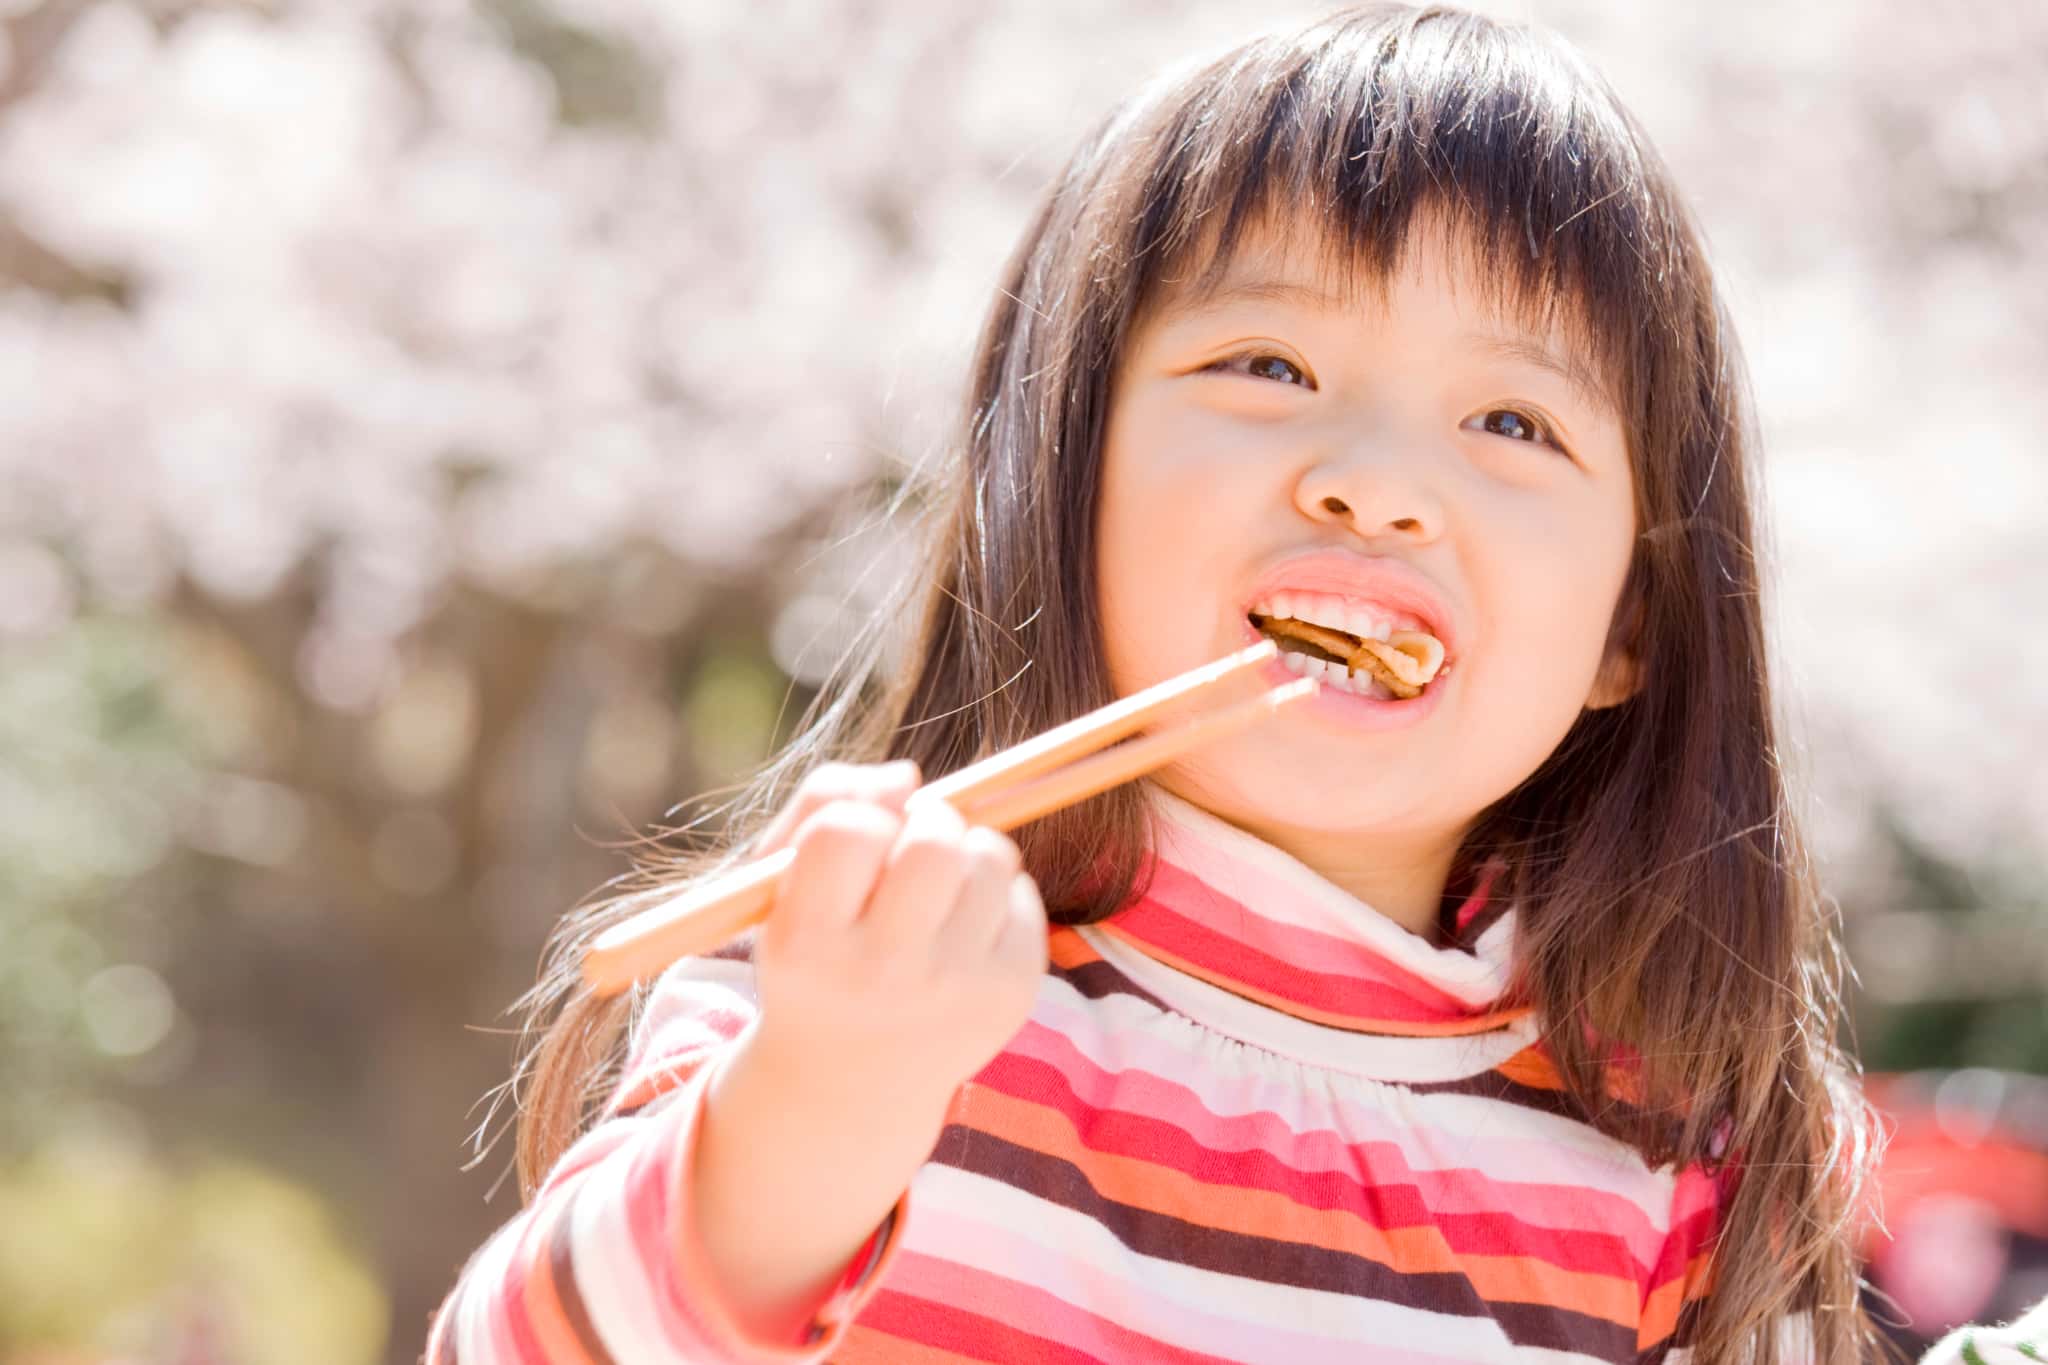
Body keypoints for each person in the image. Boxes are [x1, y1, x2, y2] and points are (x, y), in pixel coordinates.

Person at [425, 5, 1893, 1361]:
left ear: (1633, 622)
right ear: (1060, 483)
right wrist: (822, 1098)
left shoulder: (1672, 1168)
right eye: (1268, 364)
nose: (1378, 485)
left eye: (1512, 421)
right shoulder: (877, 976)